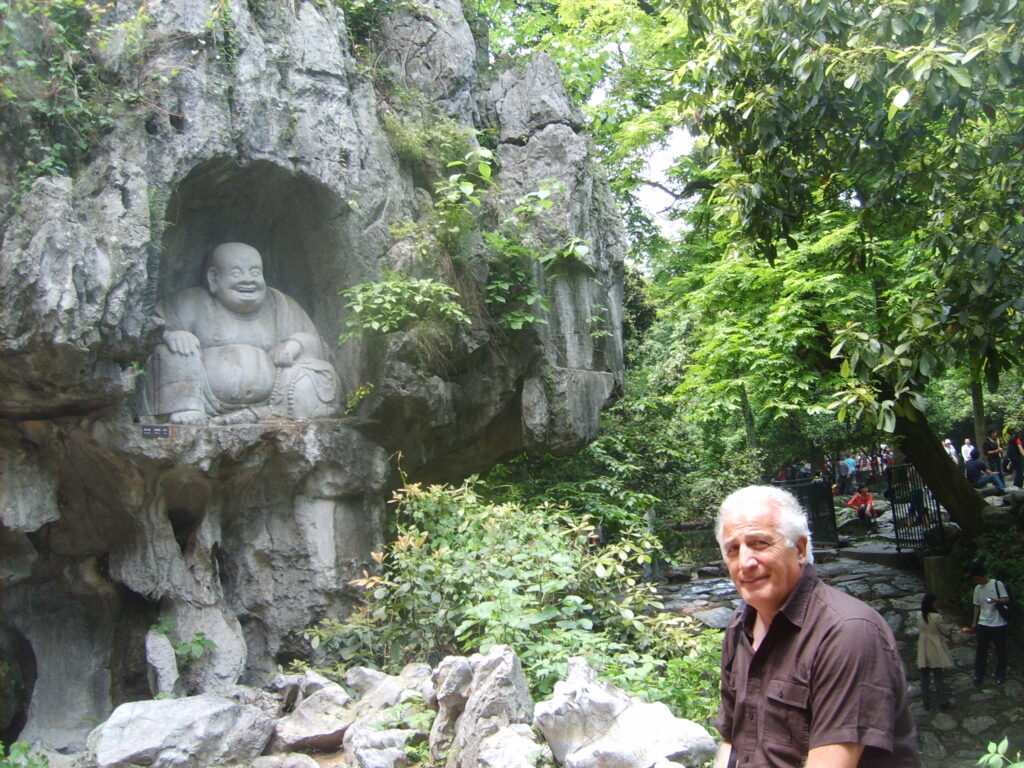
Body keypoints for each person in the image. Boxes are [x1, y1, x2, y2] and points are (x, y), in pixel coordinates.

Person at [713, 485, 918, 768]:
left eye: (759, 543)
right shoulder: (739, 626)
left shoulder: (847, 632)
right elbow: (732, 742)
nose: (745, 562)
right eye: (733, 549)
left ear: (799, 548)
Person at [143, 242, 340, 425]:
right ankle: (184, 408)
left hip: (273, 398)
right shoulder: (189, 302)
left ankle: (267, 413)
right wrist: (171, 334)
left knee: (316, 370)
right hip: (204, 399)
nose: (248, 280)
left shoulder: (281, 304)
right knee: (174, 350)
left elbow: (317, 344)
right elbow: (151, 328)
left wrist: (295, 344)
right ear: (214, 278)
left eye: (255, 272)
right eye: (236, 273)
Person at [969, 563, 1009, 687]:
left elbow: (1006, 599)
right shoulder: (977, 588)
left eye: (978, 579)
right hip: (983, 622)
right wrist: (974, 622)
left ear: (983, 576)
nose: (977, 581)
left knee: (1000, 650)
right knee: (981, 650)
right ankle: (979, 675)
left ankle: (1000, 674)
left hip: (998, 623)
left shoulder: (997, 584)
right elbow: (977, 606)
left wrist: (996, 600)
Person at [916, 593, 954, 711]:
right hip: (934, 646)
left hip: (923, 646)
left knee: (924, 676)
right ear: (932, 603)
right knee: (938, 675)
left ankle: (926, 701)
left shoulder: (919, 615)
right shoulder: (936, 617)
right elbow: (944, 631)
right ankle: (943, 701)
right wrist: (950, 635)